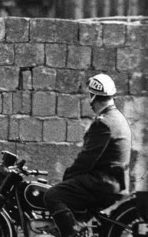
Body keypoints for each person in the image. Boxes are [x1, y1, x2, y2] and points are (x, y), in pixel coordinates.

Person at [44, 73, 131, 237]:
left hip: (103, 183)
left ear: (93, 96)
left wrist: (67, 176)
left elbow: (87, 159)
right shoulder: (118, 118)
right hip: (115, 182)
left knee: (53, 194)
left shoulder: (103, 122)